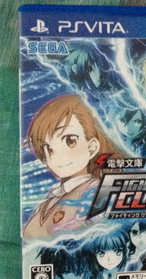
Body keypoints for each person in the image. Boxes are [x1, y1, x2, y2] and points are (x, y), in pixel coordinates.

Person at [24, 94, 118, 239]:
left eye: (70, 141)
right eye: (48, 148)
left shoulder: (98, 191)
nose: (56, 155)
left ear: (92, 147)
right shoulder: (47, 203)